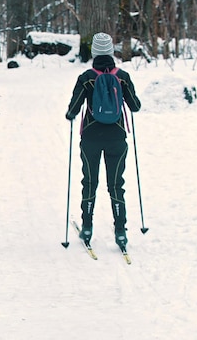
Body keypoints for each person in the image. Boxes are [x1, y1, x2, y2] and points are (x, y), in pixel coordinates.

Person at [65, 32, 142, 248]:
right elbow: (135, 106)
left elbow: (72, 109)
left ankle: (87, 227)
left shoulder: (86, 78)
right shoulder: (123, 77)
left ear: (94, 53)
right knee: (116, 185)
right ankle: (120, 232)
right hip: (116, 138)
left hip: (90, 138)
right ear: (111, 52)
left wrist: (71, 114)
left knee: (89, 182)